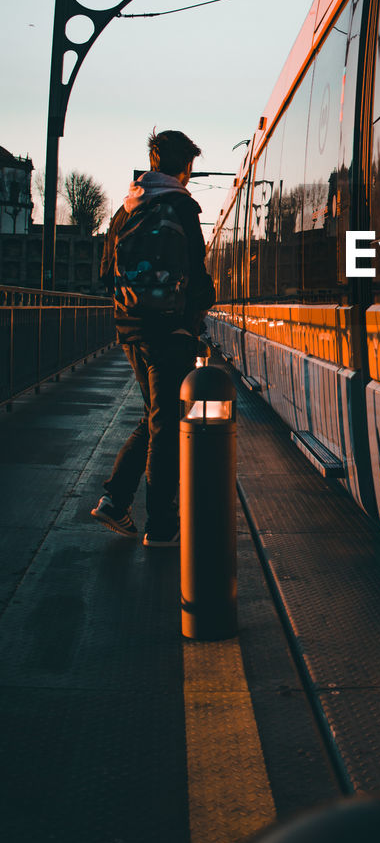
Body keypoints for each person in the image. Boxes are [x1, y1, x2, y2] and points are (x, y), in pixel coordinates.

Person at [91, 129, 215, 546]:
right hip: (171, 332)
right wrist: (200, 303)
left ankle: (115, 500)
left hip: (129, 330)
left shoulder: (126, 209)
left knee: (156, 415)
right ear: (186, 166)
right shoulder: (181, 204)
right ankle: (160, 526)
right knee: (167, 426)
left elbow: (105, 272)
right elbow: (197, 275)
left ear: (152, 160)